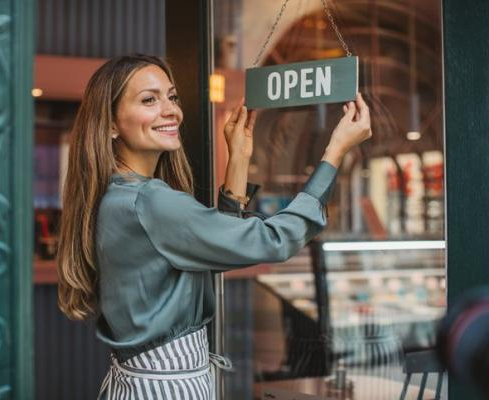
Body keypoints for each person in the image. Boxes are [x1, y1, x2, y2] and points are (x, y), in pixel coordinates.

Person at [57, 54, 372, 400]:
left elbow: (220, 245)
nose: (171, 110)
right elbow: (274, 241)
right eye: (149, 99)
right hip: (168, 389)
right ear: (111, 125)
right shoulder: (151, 202)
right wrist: (335, 152)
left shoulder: (118, 195)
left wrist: (238, 159)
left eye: (172, 97)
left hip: (139, 381)